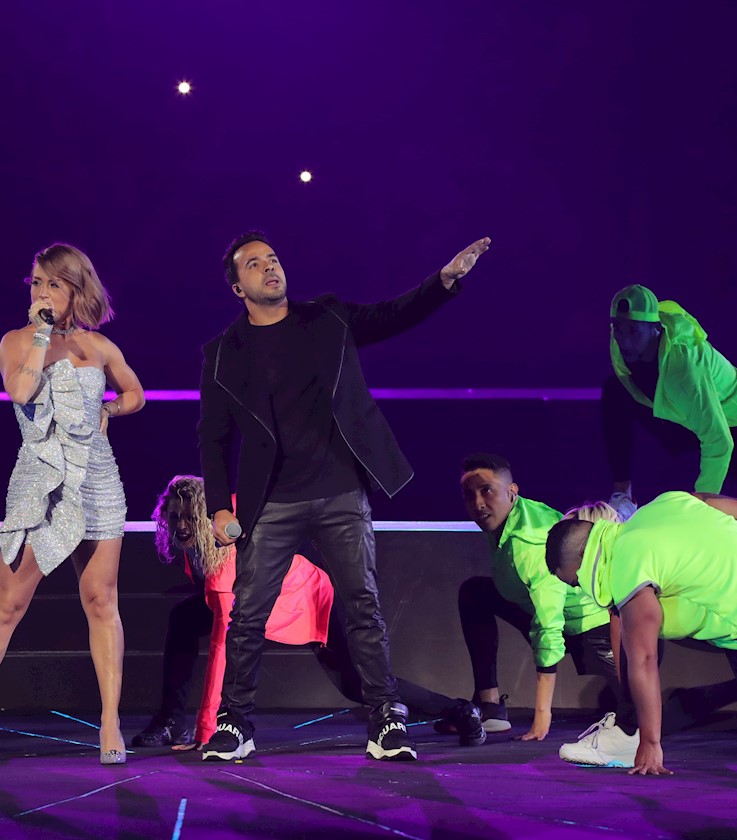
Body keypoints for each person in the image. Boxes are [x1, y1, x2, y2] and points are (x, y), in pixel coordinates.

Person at [198, 230, 490, 762]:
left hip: (339, 490)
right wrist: (220, 505)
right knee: (249, 614)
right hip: (273, 501)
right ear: (237, 287)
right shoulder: (222, 355)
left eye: (274, 258)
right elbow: (213, 436)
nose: (270, 268)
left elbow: (392, 315)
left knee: (363, 607)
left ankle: (387, 720)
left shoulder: (326, 317)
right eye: (255, 264)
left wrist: (442, 282)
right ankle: (235, 723)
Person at [0, 244, 144, 766]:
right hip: (40, 480)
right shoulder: (16, 341)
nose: (41, 292)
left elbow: (136, 393)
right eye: (35, 282)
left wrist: (112, 412)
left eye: (52, 283)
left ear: (76, 288)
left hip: (98, 478)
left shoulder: (99, 345)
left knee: (102, 601)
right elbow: (21, 390)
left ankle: (109, 723)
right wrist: (40, 332)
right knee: (8, 605)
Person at [133, 475, 483, 751]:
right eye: (174, 517)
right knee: (183, 617)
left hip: (310, 598)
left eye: (188, 517)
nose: (181, 526)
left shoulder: (222, 543)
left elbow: (224, 648)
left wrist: (209, 728)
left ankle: (460, 711)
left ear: (203, 515)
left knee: (356, 685)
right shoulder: (200, 540)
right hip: (264, 597)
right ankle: (168, 720)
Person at [546, 490, 737, 775]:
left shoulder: (624, 566)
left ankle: (627, 734)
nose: (580, 589)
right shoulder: (663, 504)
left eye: (573, 582)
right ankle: (626, 727)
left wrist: (650, 742)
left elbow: (643, 659)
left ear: (582, 561)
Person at [448, 454, 619, 741]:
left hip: (595, 629)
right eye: (469, 494)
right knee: (475, 592)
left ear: (511, 492)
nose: (477, 503)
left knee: (640, 713)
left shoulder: (530, 543)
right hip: (552, 612)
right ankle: (489, 706)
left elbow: (549, 625)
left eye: (486, 491)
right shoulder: (506, 517)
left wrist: (541, 718)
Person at [602, 284, 737, 518]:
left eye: (633, 331)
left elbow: (719, 440)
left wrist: (701, 507)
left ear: (656, 329)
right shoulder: (622, 345)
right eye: (619, 330)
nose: (624, 341)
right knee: (614, 391)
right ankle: (623, 497)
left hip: (735, 424)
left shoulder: (684, 366)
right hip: (682, 418)